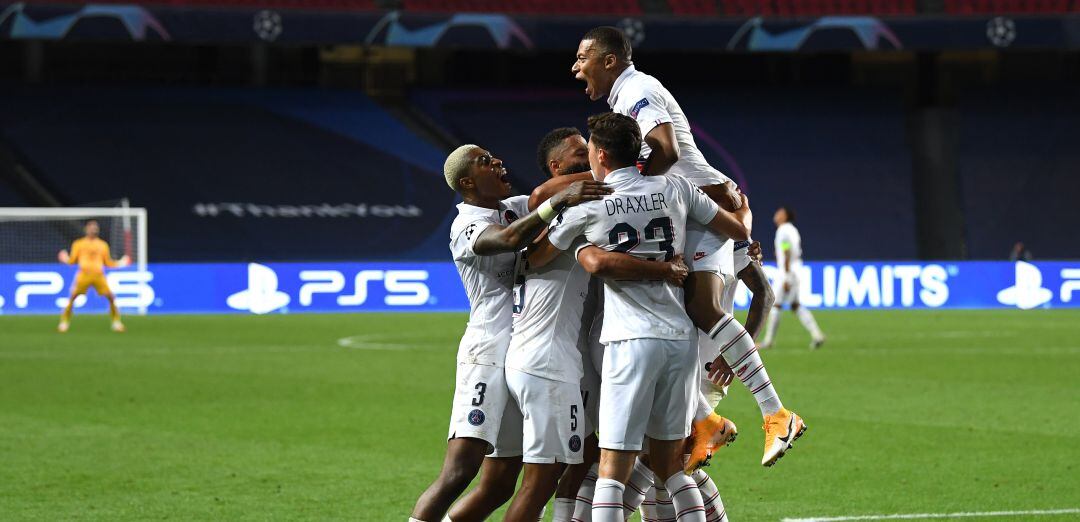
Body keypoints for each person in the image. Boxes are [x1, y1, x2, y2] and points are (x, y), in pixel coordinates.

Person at [572, 25, 803, 470]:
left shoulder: (637, 89)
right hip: (698, 209)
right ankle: (704, 422)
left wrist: (627, 189)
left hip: (706, 206)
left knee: (700, 309)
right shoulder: (624, 99)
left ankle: (775, 414)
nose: (575, 67)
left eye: (582, 57)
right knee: (680, 324)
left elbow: (666, 149)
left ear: (608, 59)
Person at [529, 113, 753, 522]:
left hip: (629, 341)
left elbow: (537, 256)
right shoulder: (677, 187)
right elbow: (737, 230)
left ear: (599, 154)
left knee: (613, 471)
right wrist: (745, 211)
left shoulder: (590, 202)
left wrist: (578, 242)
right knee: (671, 466)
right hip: (680, 340)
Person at [409, 145, 611, 522]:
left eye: (495, 156)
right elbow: (506, 240)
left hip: (520, 352)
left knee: (501, 484)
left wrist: (614, 167)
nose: (498, 161)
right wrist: (558, 201)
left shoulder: (513, 206)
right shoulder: (465, 226)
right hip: (486, 353)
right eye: (486, 161)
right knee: (459, 471)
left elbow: (545, 196)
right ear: (468, 182)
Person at [760, 206, 826, 350]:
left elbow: (786, 249)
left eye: (779, 213)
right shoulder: (792, 229)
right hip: (796, 268)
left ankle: (768, 341)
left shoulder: (783, 230)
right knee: (795, 305)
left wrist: (787, 275)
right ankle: (817, 334)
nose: (776, 214)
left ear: (785, 216)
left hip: (787, 271)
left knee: (776, 304)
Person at [56, 219, 129, 333]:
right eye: (91, 227)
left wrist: (120, 263)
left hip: (98, 275)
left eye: (95, 228)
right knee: (72, 297)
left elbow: (108, 263)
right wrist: (65, 258)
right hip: (84, 275)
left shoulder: (103, 245)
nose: (94, 230)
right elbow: (72, 261)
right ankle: (64, 322)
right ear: (86, 229)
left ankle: (116, 323)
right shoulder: (78, 244)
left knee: (111, 297)